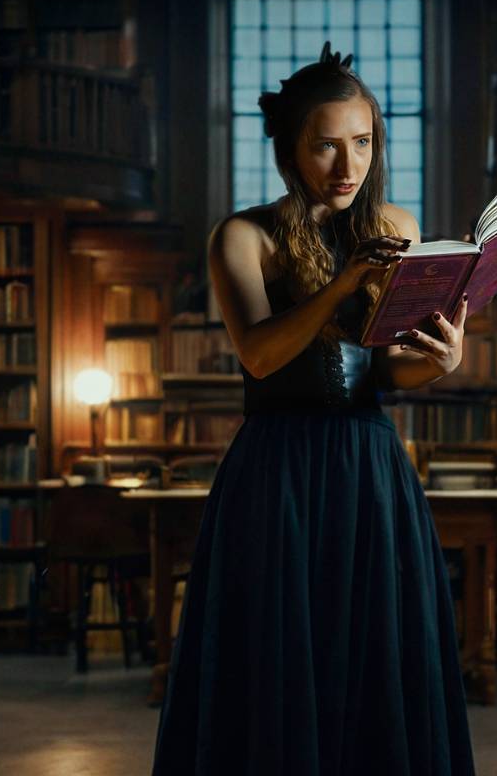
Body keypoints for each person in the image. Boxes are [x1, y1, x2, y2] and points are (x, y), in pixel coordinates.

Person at [151, 42, 476, 776]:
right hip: (279, 471)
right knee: (277, 658)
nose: (346, 165)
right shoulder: (241, 235)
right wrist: (343, 284)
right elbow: (260, 355)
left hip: (369, 467)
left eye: (361, 143)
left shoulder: (398, 222)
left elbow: (389, 369)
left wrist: (441, 360)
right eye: (325, 145)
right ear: (290, 148)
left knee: (377, 655)